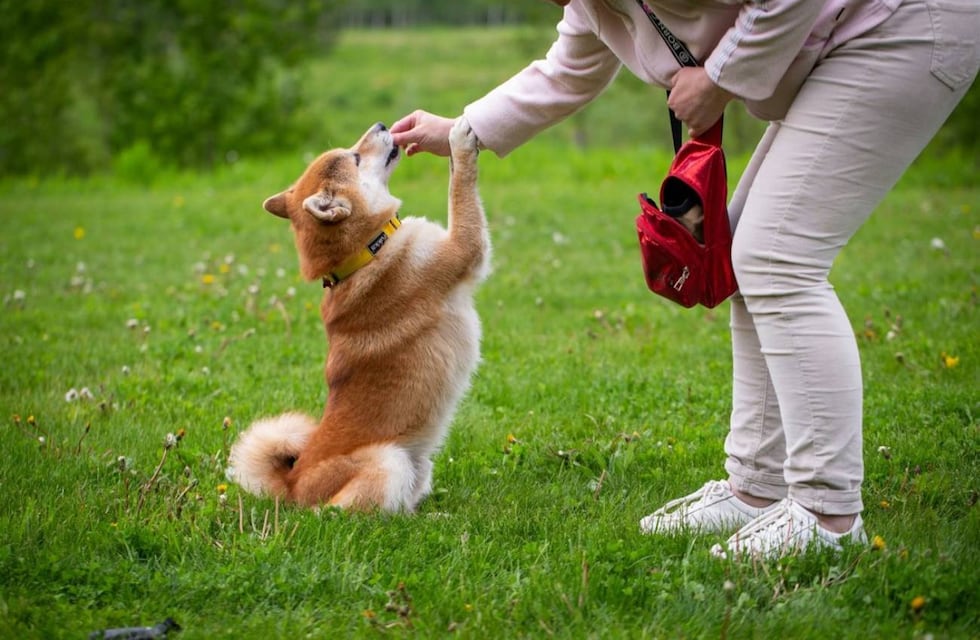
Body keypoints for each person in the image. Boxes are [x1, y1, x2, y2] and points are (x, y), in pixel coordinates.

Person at [390, 0, 979, 560]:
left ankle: (828, 515)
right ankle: (757, 488)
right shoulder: (592, 7)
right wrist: (461, 131)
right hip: (851, 39)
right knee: (749, 255)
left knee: (777, 259)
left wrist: (720, 77)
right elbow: (567, 71)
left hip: (899, 26)